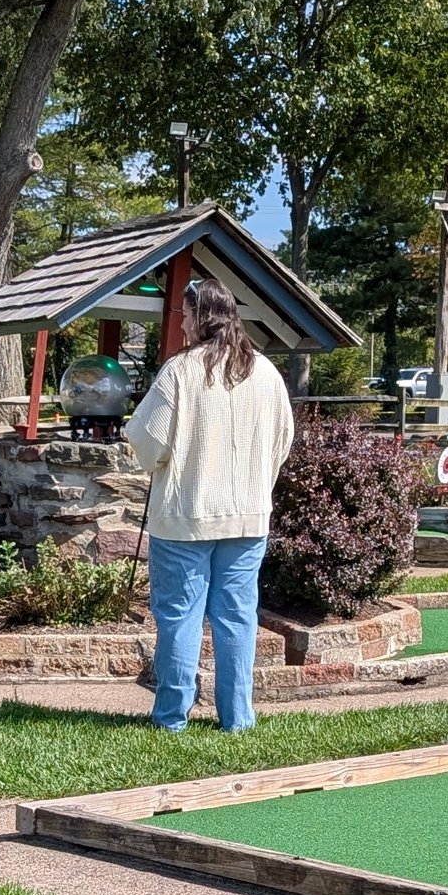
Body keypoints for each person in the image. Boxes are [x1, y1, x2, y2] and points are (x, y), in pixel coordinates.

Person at [126, 277, 294, 732]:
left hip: (185, 516)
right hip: (247, 515)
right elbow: (282, 442)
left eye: (183, 315)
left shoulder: (180, 371)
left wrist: (158, 461)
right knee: (237, 618)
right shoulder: (266, 372)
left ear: (200, 316)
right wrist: (258, 482)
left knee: (179, 617)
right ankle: (237, 718)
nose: (180, 324)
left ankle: (170, 718)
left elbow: (148, 441)